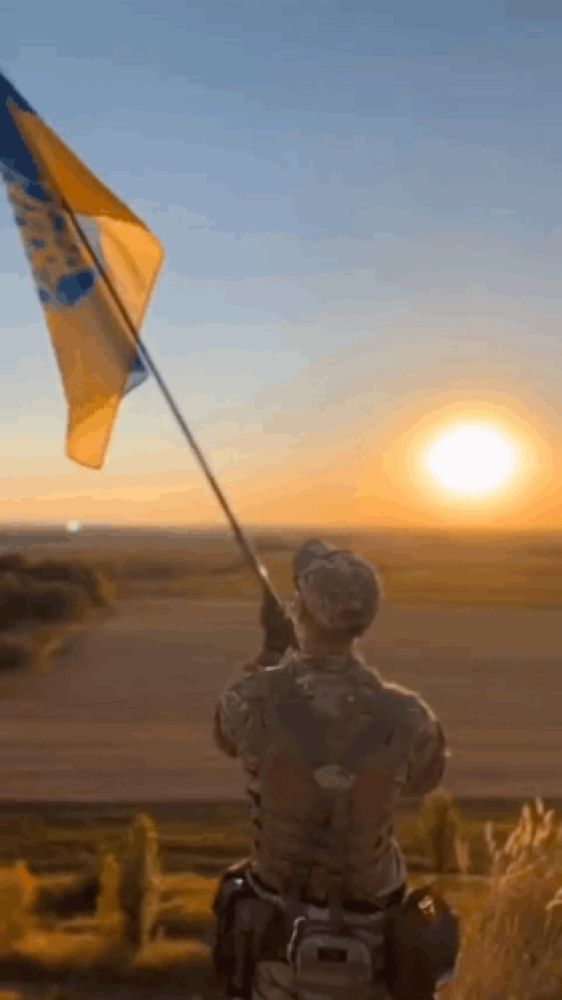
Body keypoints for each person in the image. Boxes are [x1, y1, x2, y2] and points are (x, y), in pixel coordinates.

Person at [213, 540, 451, 1000]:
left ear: (299, 613)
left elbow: (226, 735)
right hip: (376, 951)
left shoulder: (255, 699)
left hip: (277, 952)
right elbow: (425, 780)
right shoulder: (408, 716)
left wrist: (271, 653)